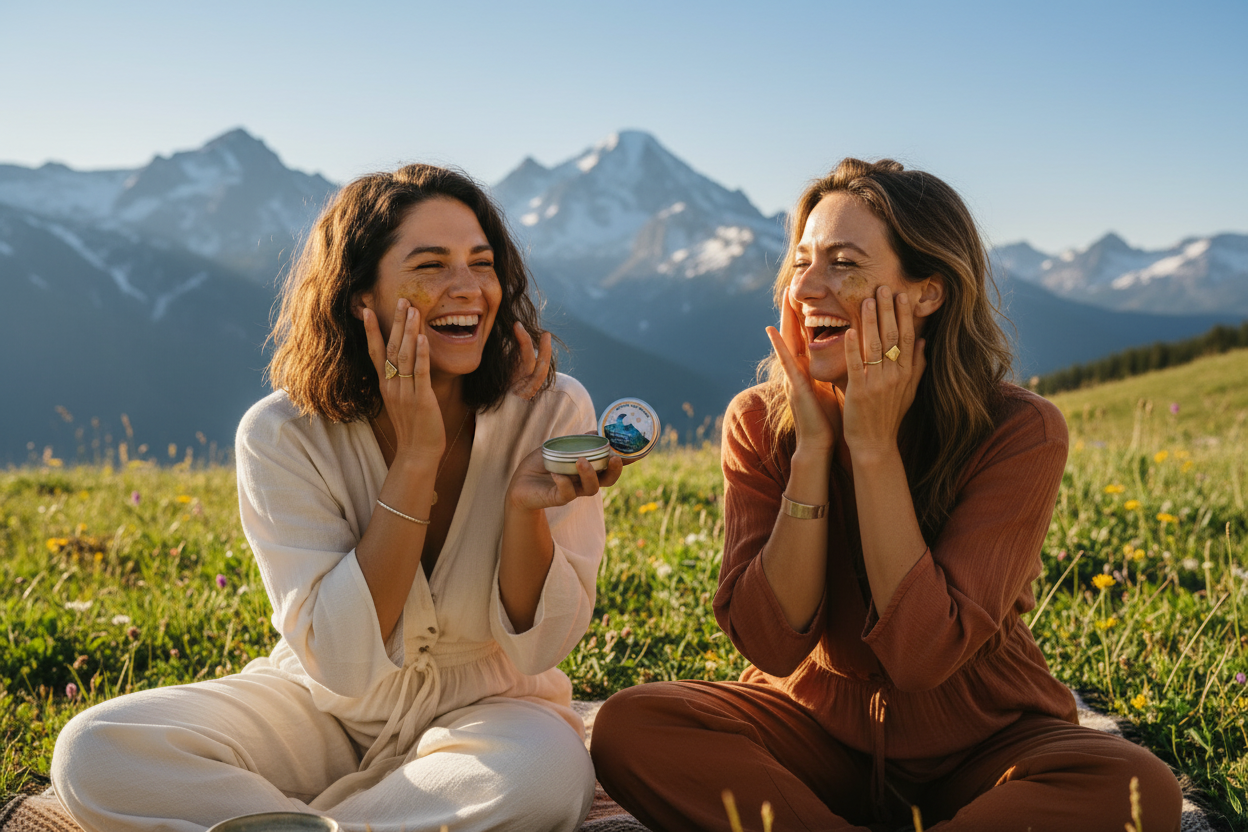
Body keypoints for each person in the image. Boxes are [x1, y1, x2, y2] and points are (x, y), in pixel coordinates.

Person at [590, 159, 1182, 831]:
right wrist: (813, 453)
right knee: (632, 726)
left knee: (1137, 786)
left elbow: (922, 655)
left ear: (927, 293)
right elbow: (769, 644)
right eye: (802, 262)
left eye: (843, 264)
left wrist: (873, 449)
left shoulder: (1019, 430)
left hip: (985, 742)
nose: (808, 287)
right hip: (810, 735)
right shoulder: (758, 421)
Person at [51, 164, 623, 832]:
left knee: (549, 777)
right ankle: (383, 821)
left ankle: (290, 825)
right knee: (96, 750)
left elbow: (540, 649)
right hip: (322, 708)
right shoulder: (279, 434)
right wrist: (414, 461)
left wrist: (527, 511)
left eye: (482, 262)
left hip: (495, 713)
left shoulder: (551, 411)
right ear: (360, 296)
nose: (468, 288)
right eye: (431, 265)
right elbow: (343, 663)